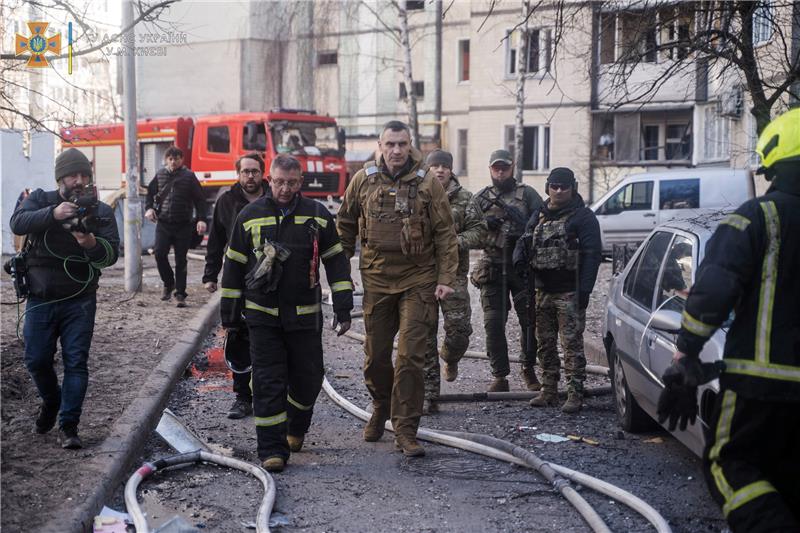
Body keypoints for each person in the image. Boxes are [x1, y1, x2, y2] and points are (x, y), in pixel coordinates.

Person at [656, 108, 800, 532]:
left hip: (761, 385)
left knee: (728, 463)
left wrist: (685, 359)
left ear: (771, 160)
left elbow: (713, 293)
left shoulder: (757, 218)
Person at [219, 154, 354, 473]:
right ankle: (271, 448)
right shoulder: (249, 215)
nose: (284, 188)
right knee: (267, 382)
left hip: (305, 317)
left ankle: (295, 427)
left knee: (308, 379)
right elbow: (234, 266)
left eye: (291, 183)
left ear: (300, 182)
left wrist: (343, 304)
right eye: (279, 181)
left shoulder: (318, 215)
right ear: (270, 179)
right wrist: (230, 318)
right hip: (262, 317)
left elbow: (335, 260)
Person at [337, 121, 458, 457]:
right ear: (380, 145)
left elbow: (446, 233)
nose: (396, 151)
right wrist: (338, 276)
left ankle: (406, 429)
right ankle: (380, 405)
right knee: (375, 357)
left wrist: (445, 278)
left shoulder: (427, 183)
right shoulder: (363, 179)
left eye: (402, 144)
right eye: (390, 144)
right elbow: (345, 225)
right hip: (376, 279)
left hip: (418, 279)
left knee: (410, 357)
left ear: (410, 146)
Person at [9, 148, 120, 449]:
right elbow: (17, 223)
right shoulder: (41, 200)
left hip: (80, 299)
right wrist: (53, 214)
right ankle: (52, 401)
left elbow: (110, 255)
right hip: (41, 297)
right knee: (36, 360)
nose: (80, 181)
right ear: (61, 177)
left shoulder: (100, 210)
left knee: (76, 362)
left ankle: (69, 425)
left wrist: (89, 242)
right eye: (74, 175)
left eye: (85, 175)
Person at [513, 167, 601, 414]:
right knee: (545, 344)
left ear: (572, 188)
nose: (559, 191)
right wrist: (518, 260)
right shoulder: (539, 214)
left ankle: (575, 392)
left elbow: (593, 256)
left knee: (571, 344)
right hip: (542, 291)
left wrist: (584, 291)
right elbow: (525, 240)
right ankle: (549, 390)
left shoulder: (583, 217)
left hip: (569, 292)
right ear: (548, 187)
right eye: (554, 186)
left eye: (564, 187)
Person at [471, 149, 543, 392]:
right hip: (492, 266)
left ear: (512, 168)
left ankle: (528, 369)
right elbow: (464, 229)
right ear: (490, 169)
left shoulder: (528, 194)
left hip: (521, 267)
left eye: (504, 167)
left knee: (529, 322)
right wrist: (484, 225)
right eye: (496, 168)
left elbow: (545, 224)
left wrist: (525, 226)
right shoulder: (481, 198)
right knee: (493, 323)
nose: (500, 172)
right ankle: (499, 375)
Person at [203, 152, 268, 420]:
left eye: (254, 171)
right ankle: (243, 398)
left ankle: (269, 395)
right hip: (238, 279)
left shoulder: (273, 199)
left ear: (262, 173)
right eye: (245, 172)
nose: (250, 176)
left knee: (270, 339)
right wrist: (210, 274)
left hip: (270, 281)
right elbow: (216, 240)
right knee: (239, 338)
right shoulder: (227, 202)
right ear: (238, 174)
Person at [422, 149, 486, 414]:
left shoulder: (465, 198)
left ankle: (450, 357)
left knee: (459, 332)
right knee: (424, 337)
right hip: (423, 275)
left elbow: (480, 231)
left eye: (444, 166)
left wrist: (454, 242)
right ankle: (429, 395)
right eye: (434, 165)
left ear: (450, 170)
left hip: (455, 275)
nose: (439, 170)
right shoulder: (418, 194)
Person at [145, 146, 207, 308]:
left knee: (181, 260)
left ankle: (180, 293)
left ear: (182, 160)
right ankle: (169, 282)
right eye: (171, 159)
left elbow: (200, 199)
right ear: (166, 160)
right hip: (164, 223)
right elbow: (150, 193)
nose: (173, 162)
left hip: (184, 225)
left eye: (177, 159)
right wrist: (149, 208)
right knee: (159, 254)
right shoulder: (160, 175)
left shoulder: (189, 176)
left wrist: (201, 219)